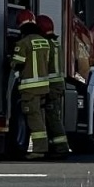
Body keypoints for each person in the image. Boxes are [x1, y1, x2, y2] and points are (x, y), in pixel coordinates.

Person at [8, 12, 52, 159]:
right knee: (40, 117)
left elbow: (17, 63)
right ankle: (44, 147)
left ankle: (39, 150)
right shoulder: (44, 41)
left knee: (34, 119)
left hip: (30, 89)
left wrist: (10, 61)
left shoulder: (23, 43)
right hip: (44, 87)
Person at [35, 14, 71, 158]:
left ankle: (61, 148)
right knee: (53, 115)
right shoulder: (56, 43)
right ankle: (54, 146)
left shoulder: (46, 44)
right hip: (57, 85)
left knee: (52, 117)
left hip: (51, 86)